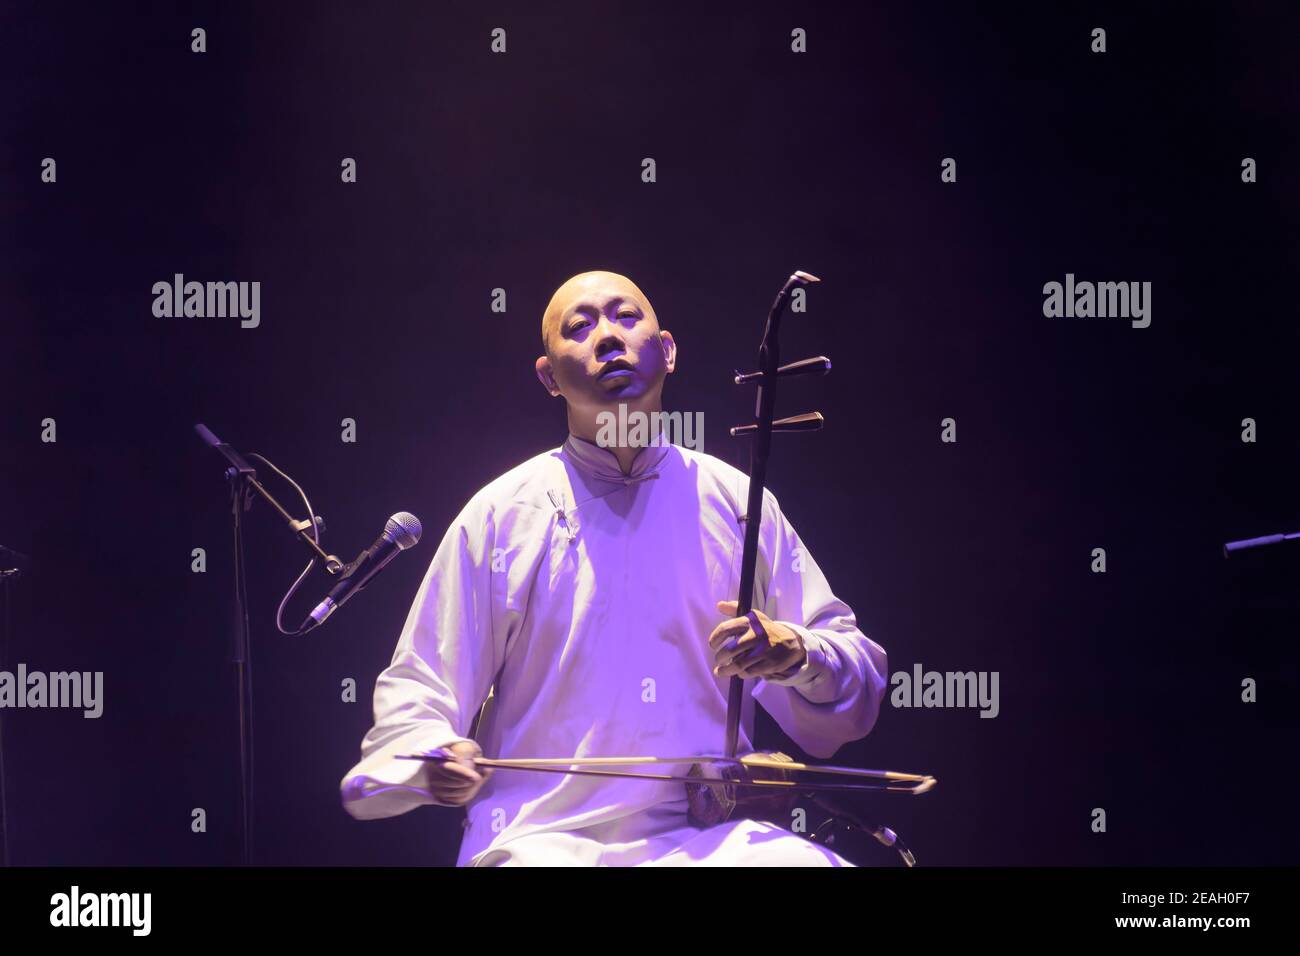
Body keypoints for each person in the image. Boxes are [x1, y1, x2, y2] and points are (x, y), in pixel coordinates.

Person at [340, 270, 888, 865]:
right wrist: (432, 751)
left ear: (668, 351)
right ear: (549, 377)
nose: (606, 336)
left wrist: (797, 652)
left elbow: (852, 684)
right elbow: (424, 684)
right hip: (540, 836)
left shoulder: (734, 500)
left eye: (626, 317)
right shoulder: (501, 512)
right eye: (580, 326)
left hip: (713, 837)